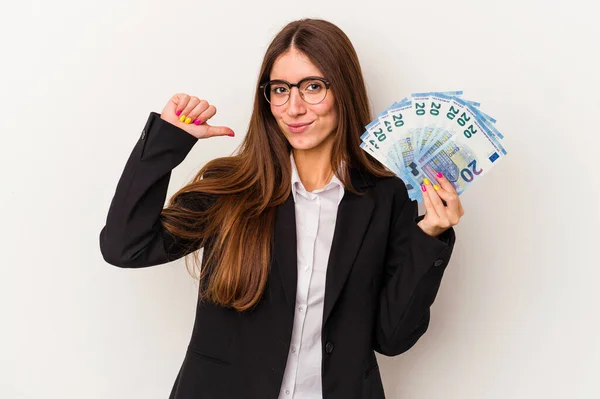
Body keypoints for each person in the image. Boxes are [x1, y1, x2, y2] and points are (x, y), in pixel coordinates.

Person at [99, 18, 463, 399]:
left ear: (345, 90)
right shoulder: (231, 188)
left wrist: (430, 236)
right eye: (280, 90)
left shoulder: (388, 196)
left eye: (313, 87)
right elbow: (126, 246)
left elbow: (392, 338)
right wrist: (165, 143)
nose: (294, 107)